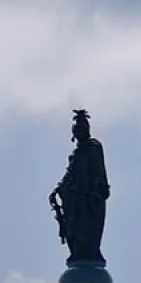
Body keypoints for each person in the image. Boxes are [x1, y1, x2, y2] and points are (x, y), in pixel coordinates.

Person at [49, 109, 110, 263]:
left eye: (83, 128)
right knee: (73, 228)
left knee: (87, 228)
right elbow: (70, 174)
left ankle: (89, 253)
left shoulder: (93, 147)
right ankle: (77, 252)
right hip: (73, 199)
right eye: (77, 129)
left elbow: (99, 171)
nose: (80, 132)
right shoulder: (75, 154)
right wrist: (58, 189)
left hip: (88, 199)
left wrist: (96, 190)